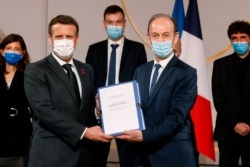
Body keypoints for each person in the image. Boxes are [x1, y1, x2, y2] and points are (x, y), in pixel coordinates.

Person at [24, 15, 113, 167]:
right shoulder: (36, 70)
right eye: (59, 37)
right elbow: (44, 111)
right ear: (50, 39)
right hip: (50, 155)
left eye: (69, 36)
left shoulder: (86, 69)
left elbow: (84, 111)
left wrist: (97, 110)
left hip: (84, 155)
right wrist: (84, 132)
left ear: (76, 39)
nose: (64, 41)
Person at [115, 13, 198, 167]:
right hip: (143, 154)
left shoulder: (187, 73)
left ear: (175, 37)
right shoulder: (141, 70)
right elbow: (134, 107)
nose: (160, 40)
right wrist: (105, 111)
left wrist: (144, 136)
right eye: (155, 35)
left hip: (173, 153)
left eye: (166, 35)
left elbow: (176, 116)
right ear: (149, 38)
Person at [86, 5, 147, 167]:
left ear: (124, 23)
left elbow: (140, 82)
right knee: (96, 160)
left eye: (118, 22)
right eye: (110, 22)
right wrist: (96, 108)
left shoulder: (137, 49)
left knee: (129, 160)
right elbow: (89, 83)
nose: (114, 26)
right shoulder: (94, 50)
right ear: (104, 24)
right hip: (100, 114)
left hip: (127, 115)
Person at [212, 20, 250, 167]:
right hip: (228, 130)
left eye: (243, 37)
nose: (238, 41)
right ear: (230, 40)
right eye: (234, 38)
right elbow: (218, 98)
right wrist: (235, 124)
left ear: (249, 39)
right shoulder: (220, 64)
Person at [0, 34, 32, 167]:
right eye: (9, 48)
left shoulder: (29, 76)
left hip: (20, 135)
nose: (12, 52)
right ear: (1, 51)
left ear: (23, 53)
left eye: (16, 49)